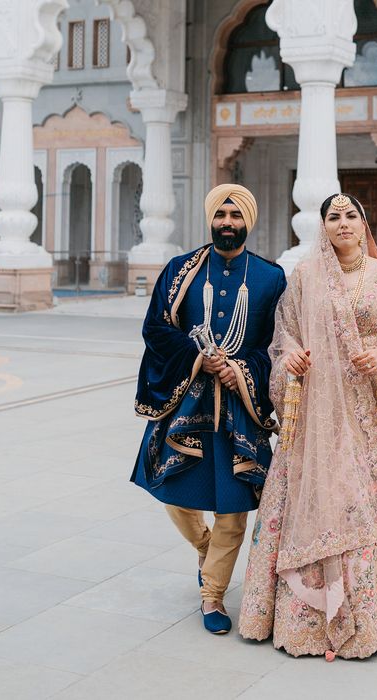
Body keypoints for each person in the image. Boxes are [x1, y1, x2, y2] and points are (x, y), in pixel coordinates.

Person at [239, 193, 377, 659]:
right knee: (312, 493)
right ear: (324, 227)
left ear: (364, 223)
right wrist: (290, 354)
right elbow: (285, 334)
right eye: (333, 217)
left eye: (351, 215)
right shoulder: (306, 277)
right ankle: (309, 617)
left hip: (370, 413)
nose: (342, 223)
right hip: (316, 415)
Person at [131, 184, 286, 635]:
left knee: (233, 508)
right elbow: (156, 329)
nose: (227, 223)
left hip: (238, 404)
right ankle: (205, 545)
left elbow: (274, 345)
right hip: (186, 400)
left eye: (235, 216)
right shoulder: (181, 270)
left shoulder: (269, 277)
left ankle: (213, 595)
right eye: (220, 215)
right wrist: (200, 357)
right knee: (172, 490)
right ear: (210, 219)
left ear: (247, 222)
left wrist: (237, 367)